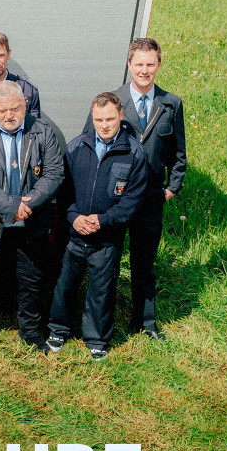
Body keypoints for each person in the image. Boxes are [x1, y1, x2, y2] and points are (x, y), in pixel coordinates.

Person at [86, 37, 187, 341]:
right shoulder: (111, 101)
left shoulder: (171, 103)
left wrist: (171, 188)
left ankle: (145, 321)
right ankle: (104, 323)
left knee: (144, 262)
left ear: (159, 65)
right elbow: (88, 145)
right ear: (129, 64)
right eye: (139, 64)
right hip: (114, 199)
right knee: (108, 261)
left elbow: (178, 153)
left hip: (151, 199)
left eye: (150, 64)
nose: (144, 70)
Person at [0, 80, 64, 353]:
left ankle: (30, 330)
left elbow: (54, 175)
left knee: (31, 279)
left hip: (31, 221)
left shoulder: (43, 132)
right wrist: (10, 206)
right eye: (2, 110)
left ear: (25, 104)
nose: (9, 115)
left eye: (15, 108)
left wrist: (27, 204)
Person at [50, 93, 150, 360]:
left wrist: (103, 221)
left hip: (107, 239)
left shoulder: (134, 153)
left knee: (101, 290)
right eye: (98, 119)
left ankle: (96, 339)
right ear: (91, 118)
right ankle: (58, 329)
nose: (104, 125)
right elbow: (64, 191)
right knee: (64, 286)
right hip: (75, 234)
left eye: (109, 119)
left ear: (120, 116)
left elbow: (132, 200)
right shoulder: (75, 148)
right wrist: (73, 216)